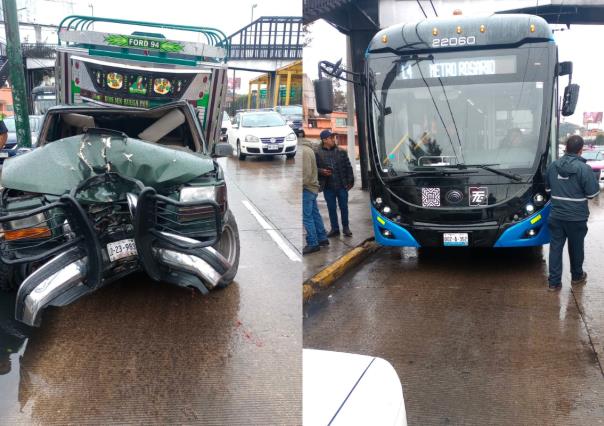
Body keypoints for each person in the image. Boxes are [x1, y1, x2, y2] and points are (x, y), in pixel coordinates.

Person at [545, 135, 600, 291]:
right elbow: (591, 194)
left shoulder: (553, 166)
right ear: (581, 150)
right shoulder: (584, 169)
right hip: (576, 218)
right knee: (576, 248)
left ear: (566, 148)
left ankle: (554, 283)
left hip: (556, 216)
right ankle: (577, 276)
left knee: (555, 248)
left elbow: (548, 189)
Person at [316, 129, 354, 237]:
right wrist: (321, 171)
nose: (334, 139)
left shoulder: (341, 151)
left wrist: (351, 181)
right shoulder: (317, 153)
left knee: (344, 207)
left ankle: (346, 228)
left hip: (342, 185)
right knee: (331, 208)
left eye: (334, 137)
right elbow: (314, 168)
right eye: (331, 138)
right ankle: (335, 229)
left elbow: (348, 167)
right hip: (328, 187)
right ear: (324, 140)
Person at [302, 138, 328, 255]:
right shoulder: (308, 149)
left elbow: (306, 175)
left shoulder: (304, 151)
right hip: (312, 187)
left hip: (307, 188)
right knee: (314, 214)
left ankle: (313, 243)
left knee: (307, 217)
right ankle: (322, 238)